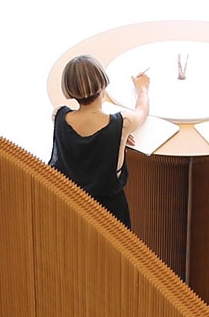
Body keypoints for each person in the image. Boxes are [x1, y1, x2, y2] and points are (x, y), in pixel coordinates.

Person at [51, 55, 153, 226]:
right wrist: (142, 89)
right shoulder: (122, 124)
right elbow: (142, 110)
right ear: (103, 85)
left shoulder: (58, 116)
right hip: (109, 216)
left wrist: (117, 139)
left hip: (69, 210)